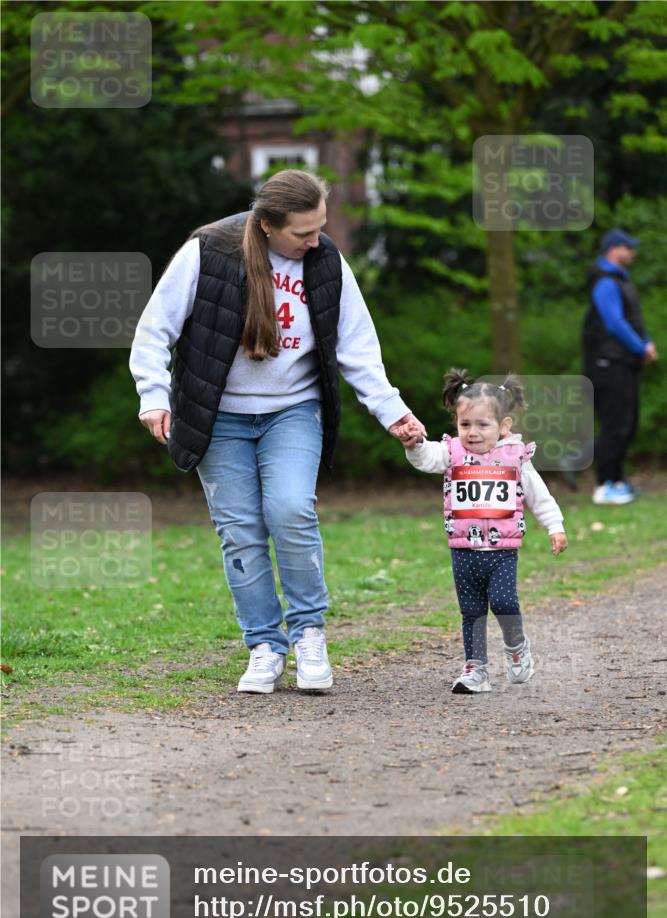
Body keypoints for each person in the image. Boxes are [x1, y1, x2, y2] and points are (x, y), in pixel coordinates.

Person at [129, 169, 425, 695]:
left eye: (320, 228)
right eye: (303, 233)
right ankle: (264, 645)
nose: (316, 240)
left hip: (293, 410)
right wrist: (153, 397)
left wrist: (392, 411)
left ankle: (309, 633)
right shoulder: (209, 252)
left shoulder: (325, 260)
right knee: (240, 530)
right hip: (219, 417)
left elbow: (357, 346)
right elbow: (154, 332)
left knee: (290, 510)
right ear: (266, 224)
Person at [397, 369, 567, 695]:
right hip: (463, 550)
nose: (472, 432)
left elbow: (538, 495)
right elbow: (426, 458)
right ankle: (476, 669)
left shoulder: (515, 457)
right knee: (471, 611)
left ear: (504, 426)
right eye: (465, 424)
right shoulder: (451, 452)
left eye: (482, 425)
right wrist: (415, 444)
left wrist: (555, 526)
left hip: (502, 551)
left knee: (504, 602)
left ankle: (516, 646)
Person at [582, 228, 658, 505]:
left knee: (627, 423)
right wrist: (641, 347)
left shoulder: (621, 280)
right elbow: (614, 322)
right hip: (608, 363)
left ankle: (617, 481)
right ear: (614, 249)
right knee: (615, 424)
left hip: (623, 362)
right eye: (629, 247)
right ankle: (604, 485)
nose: (633, 252)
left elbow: (632, 320)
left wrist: (645, 342)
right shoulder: (605, 282)